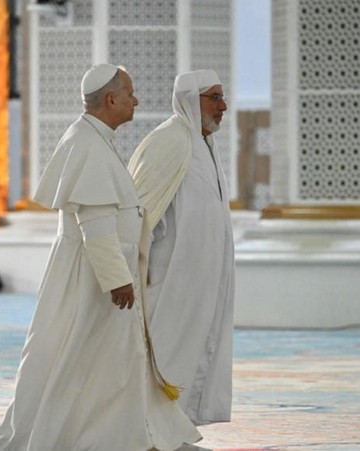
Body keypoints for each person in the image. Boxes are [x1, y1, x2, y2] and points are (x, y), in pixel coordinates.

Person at [0, 64, 201, 450]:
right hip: (93, 278)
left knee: (103, 359)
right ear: (111, 99)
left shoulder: (92, 139)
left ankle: (124, 434)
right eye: (131, 94)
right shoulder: (86, 143)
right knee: (77, 357)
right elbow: (96, 226)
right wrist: (117, 279)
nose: (136, 100)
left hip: (99, 272)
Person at [127, 70, 235, 426]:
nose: (223, 107)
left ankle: (178, 429)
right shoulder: (169, 141)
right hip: (170, 279)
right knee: (167, 351)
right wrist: (138, 272)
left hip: (201, 279)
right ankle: (153, 432)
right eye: (215, 98)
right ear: (192, 99)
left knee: (194, 349)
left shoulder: (203, 144)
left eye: (222, 97)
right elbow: (138, 212)